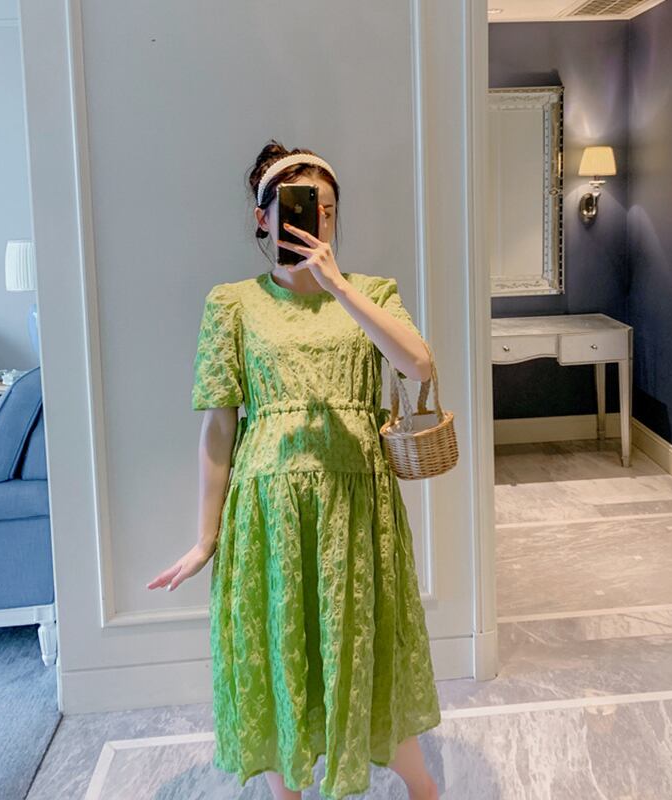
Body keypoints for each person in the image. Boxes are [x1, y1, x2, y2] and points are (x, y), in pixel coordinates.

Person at [148, 140, 442, 800]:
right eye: (298, 208)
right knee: (282, 655)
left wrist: (338, 286)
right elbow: (219, 424)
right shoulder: (231, 304)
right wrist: (204, 539)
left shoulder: (372, 293)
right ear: (263, 218)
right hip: (267, 515)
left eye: (326, 209)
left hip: (355, 509)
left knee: (365, 646)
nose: (315, 221)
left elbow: (419, 364)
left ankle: (422, 786)